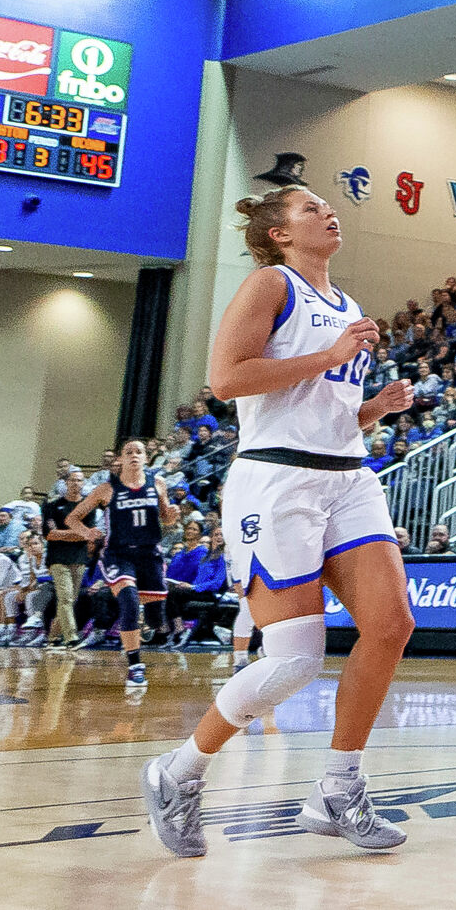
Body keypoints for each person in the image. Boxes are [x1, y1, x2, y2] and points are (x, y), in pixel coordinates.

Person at [139, 186, 418, 860]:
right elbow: (228, 378)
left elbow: (320, 413)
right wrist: (329, 357)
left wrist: (372, 407)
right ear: (280, 233)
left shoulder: (345, 304)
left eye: (328, 204)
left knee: (391, 623)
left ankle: (337, 787)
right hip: (276, 481)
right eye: (310, 206)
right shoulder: (271, 283)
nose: (328, 211)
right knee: (294, 661)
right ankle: (177, 772)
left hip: (346, 476)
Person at [66, 440, 176, 684]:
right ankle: (135, 665)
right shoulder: (107, 489)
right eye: (129, 452)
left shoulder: (158, 484)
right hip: (119, 553)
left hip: (150, 555)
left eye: (139, 452)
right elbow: (73, 518)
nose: (134, 456)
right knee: (128, 601)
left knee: (157, 619)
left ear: (147, 458)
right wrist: (88, 533)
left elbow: (166, 519)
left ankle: (144, 622)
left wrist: (172, 516)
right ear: (120, 459)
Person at [42, 467, 93, 649]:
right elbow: (49, 534)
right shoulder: (52, 506)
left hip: (79, 558)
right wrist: (75, 533)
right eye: (73, 480)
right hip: (57, 558)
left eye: (79, 480)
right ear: (66, 483)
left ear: (83, 483)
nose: (76, 484)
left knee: (70, 599)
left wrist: (63, 534)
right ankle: (71, 637)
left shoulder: (87, 506)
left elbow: (88, 534)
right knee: (65, 598)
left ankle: (53, 637)